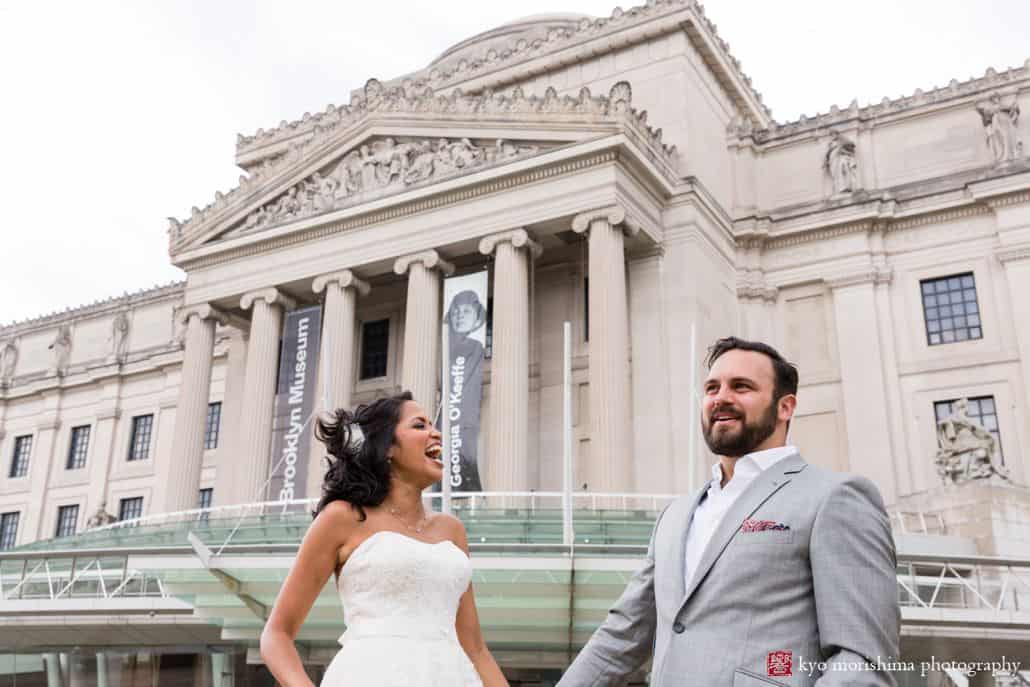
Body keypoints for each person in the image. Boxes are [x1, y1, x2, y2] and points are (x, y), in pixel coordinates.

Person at [558, 337, 899, 686]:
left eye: (741, 387)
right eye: (711, 388)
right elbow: (621, 636)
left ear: (785, 407)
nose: (721, 397)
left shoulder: (836, 498)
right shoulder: (674, 516)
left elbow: (862, 661)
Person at [260, 392, 508, 686]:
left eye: (433, 425)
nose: (436, 433)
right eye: (420, 426)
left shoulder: (452, 530)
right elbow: (276, 634)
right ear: (387, 447)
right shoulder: (341, 518)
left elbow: (476, 648)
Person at [445, 290, 488, 491]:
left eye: (466, 311)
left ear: (478, 317)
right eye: (456, 311)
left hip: (464, 421)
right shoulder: (447, 349)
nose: (460, 315)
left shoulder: (476, 348)